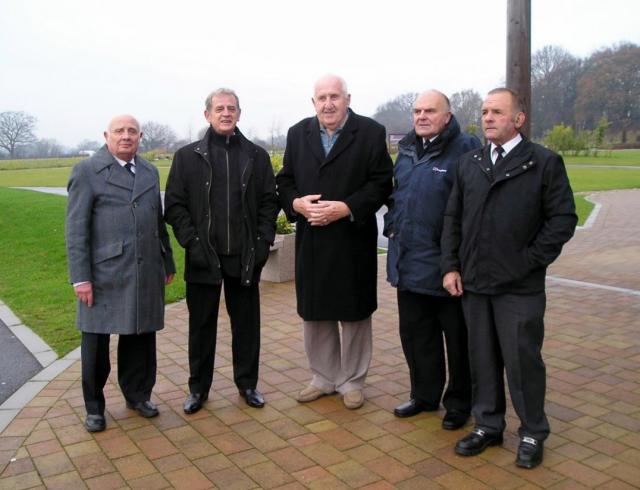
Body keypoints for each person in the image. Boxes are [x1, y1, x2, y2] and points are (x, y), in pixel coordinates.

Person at [441, 88, 577, 469]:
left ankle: (533, 432)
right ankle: (487, 425)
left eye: (497, 112)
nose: (487, 118)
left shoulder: (544, 163)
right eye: (484, 111)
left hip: (519, 285)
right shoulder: (470, 163)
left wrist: (529, 261)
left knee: (522, 362)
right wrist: (450, 266)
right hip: (474, 283)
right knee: (481, 360)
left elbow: (563, 219)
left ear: (518, 119)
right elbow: (453, 218)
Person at [277, 75, 393, 410]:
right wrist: (296, 204)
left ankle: (352, 381)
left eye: (335, 97)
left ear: (347, 99)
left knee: (354, 313)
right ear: (313, 102)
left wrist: (347, 208)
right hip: (312, 238)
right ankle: (323, 378)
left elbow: (381, 182)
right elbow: (285, 180)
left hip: (351, 238)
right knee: (315, 312)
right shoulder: (299, 133)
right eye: (321, 98)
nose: (328, 104)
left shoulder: (370, 133)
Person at [164, 88, 278, 414]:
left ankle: (247, 385)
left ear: (239, 114)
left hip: (244, 258)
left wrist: (261, 243)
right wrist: (193, 243)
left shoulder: (256, 156)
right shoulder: (187, 157)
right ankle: (198, 389)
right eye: (219, 108)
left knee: (246, 327)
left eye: (231, 108)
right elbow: (175, 205)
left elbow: (270, 202)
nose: (225, 113)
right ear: (207, 115)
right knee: (201, 328)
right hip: (203, 258)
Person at [66, 114, 176, 433]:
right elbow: (76, 231)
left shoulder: (149, 171)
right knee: (96, 344)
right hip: (103, 273)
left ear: (140, 136)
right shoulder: (86, 172)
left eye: (132, 131)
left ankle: (138, 396)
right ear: (106, 135)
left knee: (140, 337)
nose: (126, 136)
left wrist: (166, 261)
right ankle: (95, 408)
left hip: (143, 270)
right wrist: (81, 277)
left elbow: (157, 222)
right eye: (119, 131)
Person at [384, 90, 480, 428]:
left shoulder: (465, 149)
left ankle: (459, 403)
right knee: (416, 337)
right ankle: (424, 395)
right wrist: (392, 226)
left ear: (447, 116)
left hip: (446, 268)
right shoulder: (407, 150)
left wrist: (454, 261)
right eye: (417, 111)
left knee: (458, 341)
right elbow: (397, 197)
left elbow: (472, 210)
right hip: (408, 264)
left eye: (430, 111)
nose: (422, 116)